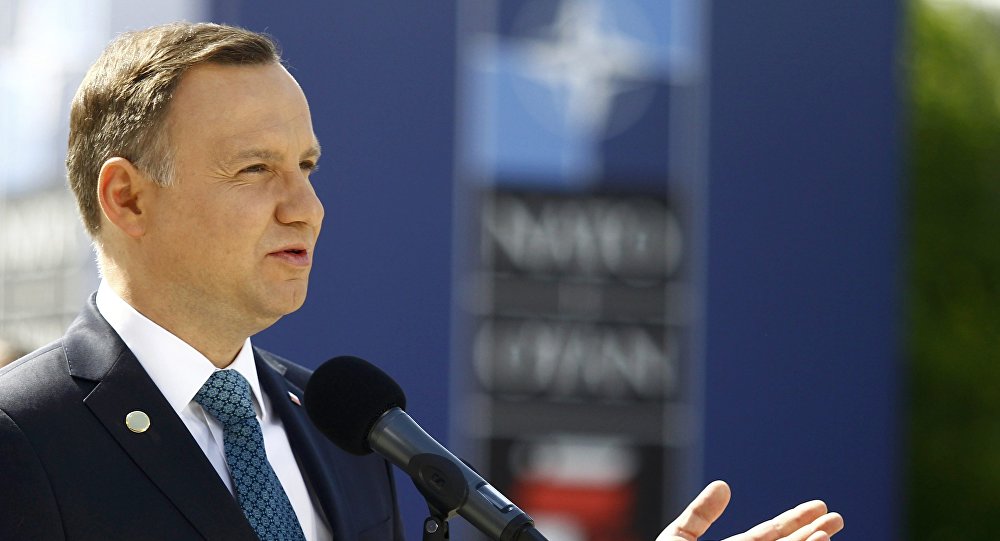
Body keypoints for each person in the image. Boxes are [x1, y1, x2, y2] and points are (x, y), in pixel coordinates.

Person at [0, 22, 843, 541]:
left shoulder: (351, 433)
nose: (306, 208)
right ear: (127, 196)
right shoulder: (23, 439)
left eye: (308, 166)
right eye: (256, 169)